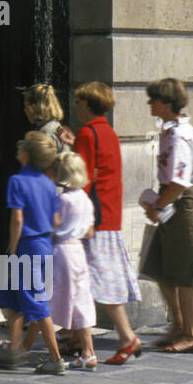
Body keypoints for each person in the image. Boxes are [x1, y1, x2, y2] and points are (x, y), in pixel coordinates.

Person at [72, 81, 143, 364]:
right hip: (109, 215)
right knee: (90, 278)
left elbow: (81, 178)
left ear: (88, 104)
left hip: (92, 218)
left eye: (79, 102)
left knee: (98, 279)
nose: (76, 106)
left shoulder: (87, 134)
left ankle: (127, 337)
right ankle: (76, 336)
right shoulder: (109, 133)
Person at [139, 78, 193, 354]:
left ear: (167, 104)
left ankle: (192, 335)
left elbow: (179, 182)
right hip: (171, 202)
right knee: (163, 270)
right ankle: (178, 326)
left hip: (183, 204)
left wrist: (157, 206)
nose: (149, 104)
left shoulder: (179, 135)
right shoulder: (170, 130)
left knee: (182, 274)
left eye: (154, 99)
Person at [0, 131, 68, 374]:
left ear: (26, 154)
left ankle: (55, 358)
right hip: (45, 245)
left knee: (38, 305)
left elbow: (17, 219)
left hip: (26, 246)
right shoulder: (48, 183)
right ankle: (13, 350)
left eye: (22, 146)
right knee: (16, 300)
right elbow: (56, 220)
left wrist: (13, 249)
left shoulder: (17, 181)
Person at [51, 152, 97, 369]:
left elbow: (53, 225)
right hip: (78, 250)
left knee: (50, 299)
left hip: (62, 250)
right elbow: (89, 231)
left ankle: (29, 345)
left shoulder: (62, 200)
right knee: (81, 302)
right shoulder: (85, 200)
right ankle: (88, 352)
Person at [23, 83, 71, 153]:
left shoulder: (46, 133)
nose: (25, 110)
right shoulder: (55, 126)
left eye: (26, 105)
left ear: (35, 107)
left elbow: (44, 162)